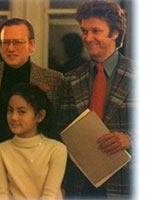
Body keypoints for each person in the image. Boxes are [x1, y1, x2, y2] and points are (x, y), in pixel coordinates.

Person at [59, 0, 134, 198]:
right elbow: (63, 129)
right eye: (84, 31)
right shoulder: (71, 78)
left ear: (115, 33)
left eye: (95, 31)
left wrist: (130, 138)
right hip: (79, 184)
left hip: (126, 183)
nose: (88, 38)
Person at [0, 18, 63, 146]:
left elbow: (54, 128)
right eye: (5, 42)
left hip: (35, 161)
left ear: (32, 45)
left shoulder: (53, 80)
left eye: (18, 42)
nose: (11, 48)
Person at [0, 83, 67, 200]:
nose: (14, 117)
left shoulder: (57, 149)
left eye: (22, 112)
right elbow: (0, 194)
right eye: (10, 110)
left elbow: (49, 195)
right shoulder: (0, 150)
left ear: (40, 116)